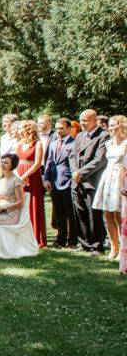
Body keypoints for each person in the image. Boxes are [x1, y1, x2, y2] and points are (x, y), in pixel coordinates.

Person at [70, 109, 110, 254]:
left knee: (94, 214)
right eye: (81, 120)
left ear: (94, 120)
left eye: (85, 120)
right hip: (76, 180)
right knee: (80, 212)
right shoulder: (79, 136)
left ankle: (97, 245)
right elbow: (72, 156)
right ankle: (84, 244)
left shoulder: (104, 136)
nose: (82, 123)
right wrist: (75, 172)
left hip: (92, 180)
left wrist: (81, 173)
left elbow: (99, 160)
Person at [93, 114, 126, 260]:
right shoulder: (108, 143)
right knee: (107, 213)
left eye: (114, 125)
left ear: (122, 126)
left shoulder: (126, 144)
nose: (111, 128)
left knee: (118, 214)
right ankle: (114, 247)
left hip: (120, 177)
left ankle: (123, 249)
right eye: (110, 125)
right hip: (108, 177)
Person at [43, 118, 78, 248]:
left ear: (68, 129)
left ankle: (72, 240)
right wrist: (46, 179)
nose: (58, 131)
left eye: (62, 128)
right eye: (57, 128)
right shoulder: (53, 144)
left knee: (70, 213)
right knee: (59, 213)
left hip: (68, 181)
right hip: (54, 182)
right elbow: (49, 162)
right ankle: (60, 239)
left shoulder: (73, 143)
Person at [14, 120, 46, 248]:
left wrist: (24, 176)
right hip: (19, 174)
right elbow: (15, 162)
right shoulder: (19, 144)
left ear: (28, 129)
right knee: (21, 205)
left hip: (32, 177)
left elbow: (37, 163)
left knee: (33, 204)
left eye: (20, 128)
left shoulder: (37, 144)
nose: (18, 131)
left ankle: (36, 238)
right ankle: (22, 236)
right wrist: (17, 177)